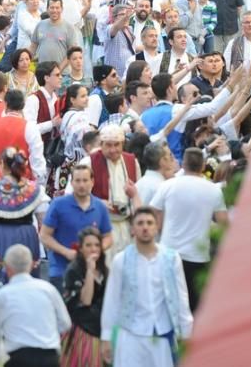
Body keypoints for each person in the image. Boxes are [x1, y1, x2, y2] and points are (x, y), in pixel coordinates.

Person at [100, 207, 192, 367]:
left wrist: (187, 333)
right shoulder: (121, 260)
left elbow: (181, 298)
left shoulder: (171, 258)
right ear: (132, 229)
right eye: (140, 223)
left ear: (156, 227)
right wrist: (106, 337)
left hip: (162, 333)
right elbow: (112, 300)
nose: (145, 227)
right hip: (130, 334)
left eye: (149, 223)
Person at [150, 148, 228, 311]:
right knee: (193, 307)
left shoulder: (167, 186)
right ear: (203, 166)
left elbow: (153, 212)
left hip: (169, 251)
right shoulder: (213, 190)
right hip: (198, 255)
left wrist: (163, 228)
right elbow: (224, 224)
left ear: (183, 164)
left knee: (168, 305)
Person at [0, 244, 70, 367]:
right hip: (49, 356)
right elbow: (65, 324)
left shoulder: (1, 296)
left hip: (19, 359)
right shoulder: (48, 289)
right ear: (31, 265)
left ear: (7, 267)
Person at [0, 148, 47, 281]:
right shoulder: (34, 189)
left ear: (1, 164)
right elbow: (43, 218)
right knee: (25, 277)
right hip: (25, 235)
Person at [39, 164, 112, 293]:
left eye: (85, 180)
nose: (81, 185)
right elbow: (45, 236)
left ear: (92, 182)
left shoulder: (100, 207)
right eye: (77, 181)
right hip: (61, 270)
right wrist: (66, 252)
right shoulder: (58, 205)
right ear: (71, 183)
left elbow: (108, 236)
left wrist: (95, 251)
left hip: (91, 270)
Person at [87, 125, 141, 258]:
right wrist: (97, 202)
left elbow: (138, 193)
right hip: (101, 226)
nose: (113, 150)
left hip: (127, 226)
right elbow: (74, 195)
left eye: (117, 145)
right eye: (108, 145)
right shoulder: (89, 162)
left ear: (123, 144)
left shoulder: (132, 162)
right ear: (101, 144)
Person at [60, 226, 108, 367]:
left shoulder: (106, 270)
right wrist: (90, 271)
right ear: (80, 248)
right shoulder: (73, 271)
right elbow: (86, 300)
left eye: (97, 245)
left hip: (100, 327)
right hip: (81, 330)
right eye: (88, 245)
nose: (93, 249)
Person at [0, 90, 46, 181]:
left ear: (5, 103)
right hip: (21, 181)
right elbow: (37, 160)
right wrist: (39, 183)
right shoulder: (30, 128)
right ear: (23, 105)